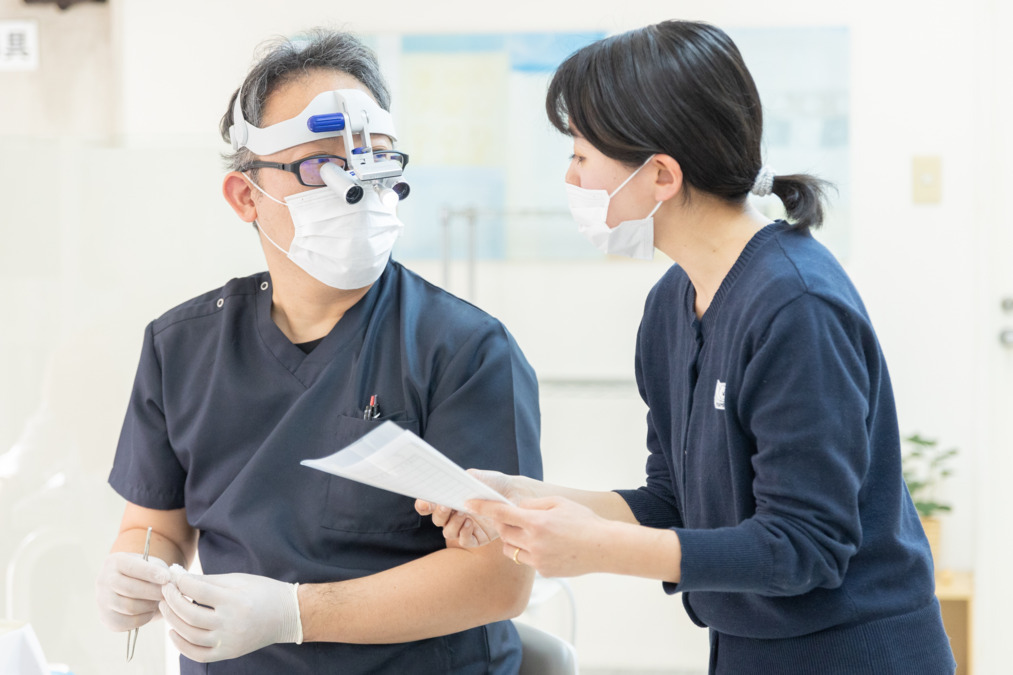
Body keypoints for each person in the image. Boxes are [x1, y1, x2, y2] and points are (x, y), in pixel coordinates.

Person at [418, 20, 956, 674]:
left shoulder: (796, 306)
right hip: (745, 646)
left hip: (856, 652)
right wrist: (515, 497)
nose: (569, 176)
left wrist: (597, 548)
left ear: (661, 175)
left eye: (581, 155)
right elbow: (672, 503)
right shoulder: (672, 305)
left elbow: (803, 547)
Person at [95, 29, 541, 674]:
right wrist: (134, 571)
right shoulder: (182, 346)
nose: (356, 185)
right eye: (321, 164)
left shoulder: (464, 349)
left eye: (375, 159)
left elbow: (501, 581)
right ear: (247, 196)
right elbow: (156, 525)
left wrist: (295, 613)